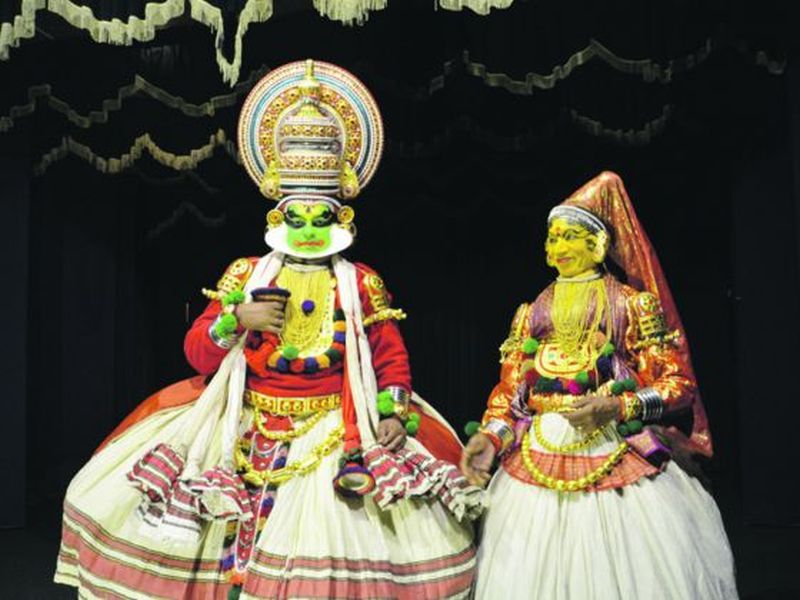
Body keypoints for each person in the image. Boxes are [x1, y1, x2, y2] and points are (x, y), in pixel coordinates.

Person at [55, 59, 481, 600]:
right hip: (245, 421)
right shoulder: (245, 276)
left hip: (335, 428)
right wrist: (238, 320)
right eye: (295, 218)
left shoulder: (361, 283)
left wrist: (394, 412)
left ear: (341, 220)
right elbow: (198, 355)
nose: (306, 230)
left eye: (318, 218)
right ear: (277, 219)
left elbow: (389, 359)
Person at [461, 171, 737, 599]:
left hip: (612, 448)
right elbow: (510, 393)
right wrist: (490, 437)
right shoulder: (531, 312)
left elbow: (677, 383)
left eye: (570, 236)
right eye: (552, 238)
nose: (558, 248)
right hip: (537, 455)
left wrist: (616, 409)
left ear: (599, 244)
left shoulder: (631, 304)